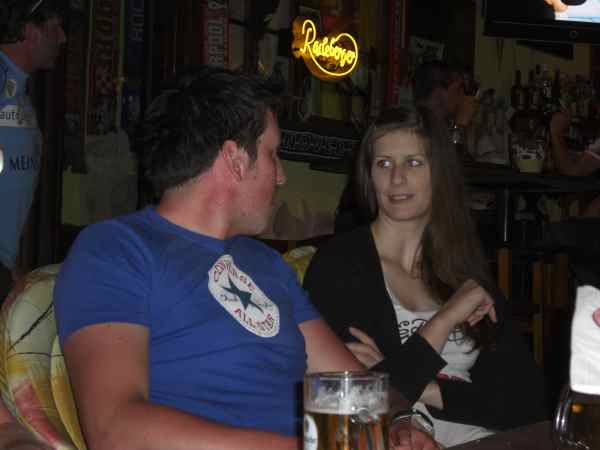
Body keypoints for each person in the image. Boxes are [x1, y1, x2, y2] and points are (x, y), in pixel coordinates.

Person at [53, 67, 438, 450]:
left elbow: (351, 389)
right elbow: (114, 428)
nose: (281, 176)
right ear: (235, 159)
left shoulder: (266, 264)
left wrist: (398, 425)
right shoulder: (116, 250)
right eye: (273, 154)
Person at [303, 106, 548, 448]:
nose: (396, 178)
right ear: (368, 176)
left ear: (439, 172)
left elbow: (527, 402)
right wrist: (446, 319)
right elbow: (350, 399)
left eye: (414, 162)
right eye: (383, 163)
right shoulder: (339, 266)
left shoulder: (461, 266)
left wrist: (417, 385)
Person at [0, 0, 66, 302]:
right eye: (55, 28)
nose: (62, 38)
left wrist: (9, 267)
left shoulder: (19, 92)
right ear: (29, 31)